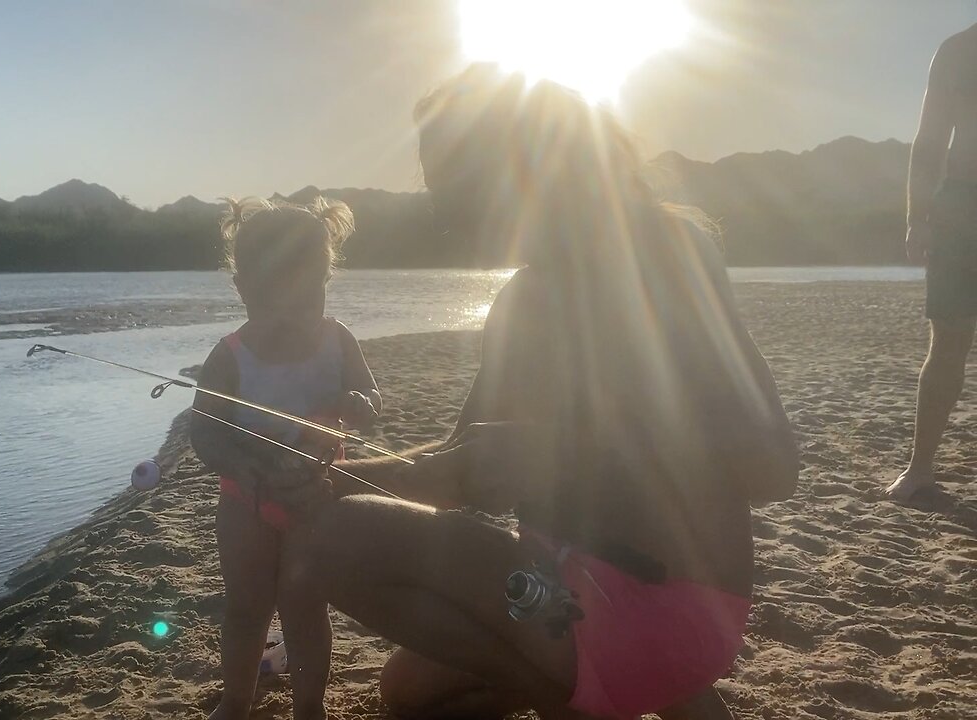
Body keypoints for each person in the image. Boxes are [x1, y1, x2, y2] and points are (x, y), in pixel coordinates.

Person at [288, 65, 799, 720]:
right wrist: (324, 476)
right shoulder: (520, 300)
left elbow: (775, 468)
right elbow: (450, 466)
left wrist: (588, 449)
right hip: (555, 592)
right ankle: (618, 690)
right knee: (409, 693)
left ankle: (587, 692)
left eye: (457, 189)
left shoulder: (668, 255)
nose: (446, 213)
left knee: (337, 539)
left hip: (668, 604)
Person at [190, 197, 383, 720]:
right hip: (245, 504)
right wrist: (239, 465)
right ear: (244, 289)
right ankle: (235, 700)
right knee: (245, 608)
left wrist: (359, 406)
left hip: (314, 501)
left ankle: (309, 707)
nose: (298, 311)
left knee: (305, 610)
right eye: (280, 297)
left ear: (327, 279)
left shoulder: (338, 341)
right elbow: (202, 429)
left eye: (313, 290)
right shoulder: (230, 355)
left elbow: (370, 398)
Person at [887, 23, 977, 501]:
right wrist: (916, 218)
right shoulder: (958, 50)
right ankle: (921, 468)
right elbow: (930, 140)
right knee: (948, 341)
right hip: (961, 210)